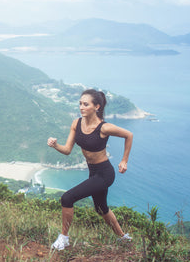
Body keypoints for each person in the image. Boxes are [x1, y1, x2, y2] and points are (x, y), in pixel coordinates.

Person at [47, 88, 133, 250]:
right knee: (101, 209)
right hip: (93, 172)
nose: (81, 107)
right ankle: (123, 237)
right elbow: (67, 150)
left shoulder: (104, 128)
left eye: (86, 104)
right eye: (80, 103)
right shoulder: (76, 123)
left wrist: (124, 161)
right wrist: (55, 145)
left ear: (97, 107)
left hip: (105, 173)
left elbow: (129, 135)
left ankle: (64, 238)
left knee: (67, 198)